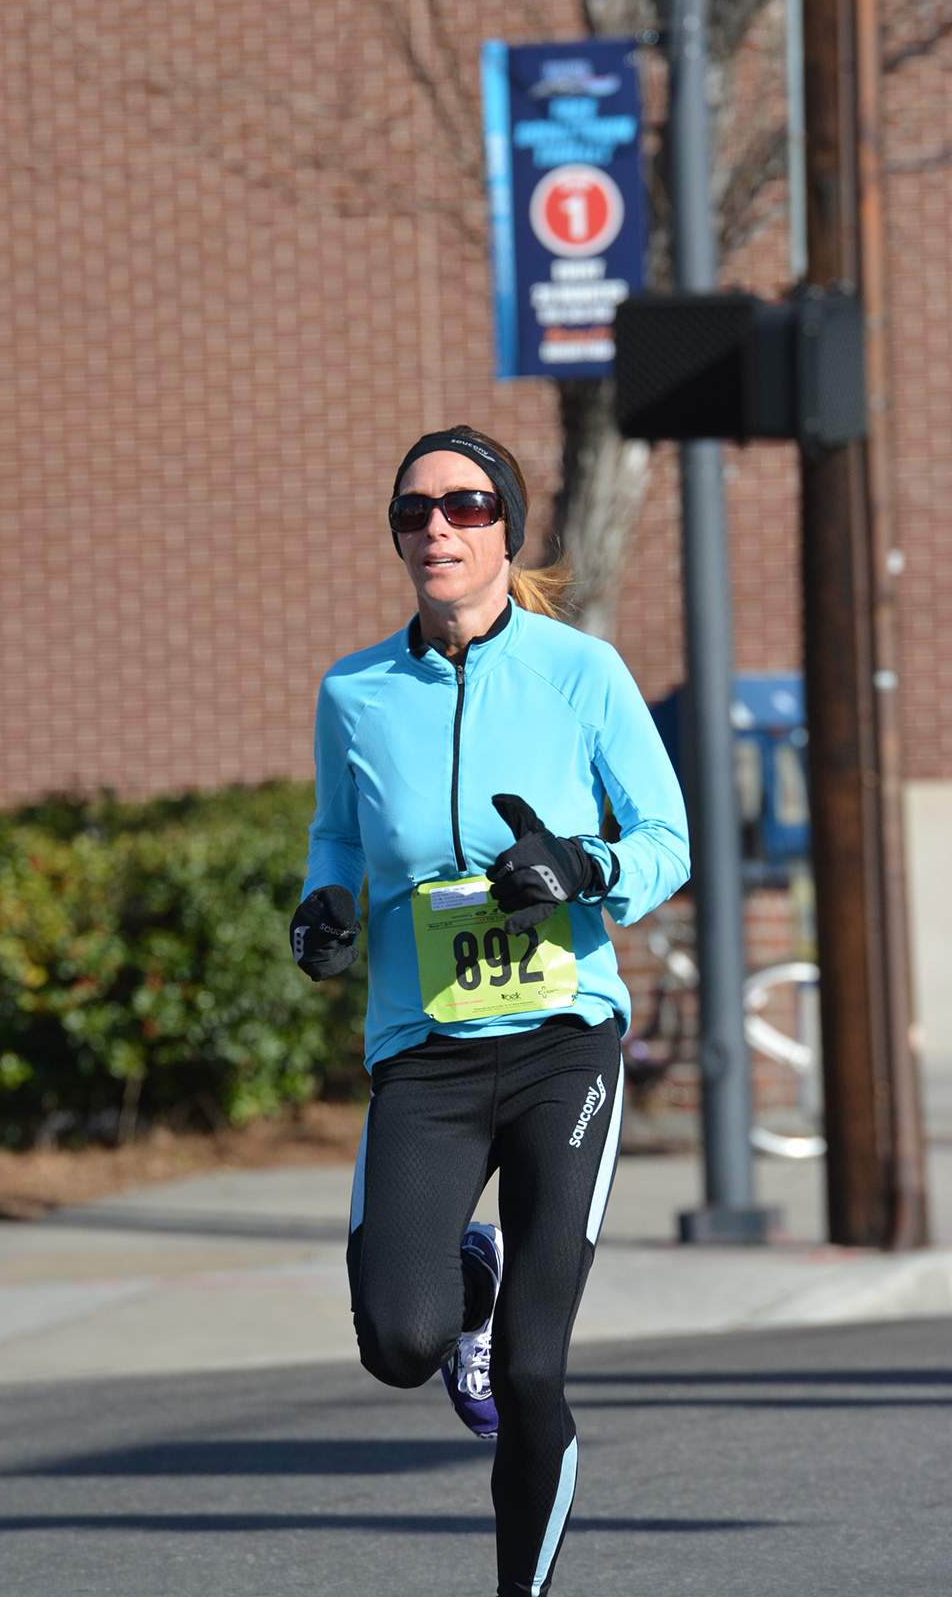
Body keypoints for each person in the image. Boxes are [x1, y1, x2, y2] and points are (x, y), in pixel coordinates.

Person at [289, 428, 689, 1594]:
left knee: (529, 1373)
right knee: (399, 1346)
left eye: (465, 508)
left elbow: (661, 838)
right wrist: (324, 907)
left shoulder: (581, 672)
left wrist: (580, 866)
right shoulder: (355, 692)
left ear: (506, 527)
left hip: (567, 1046)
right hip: (428, 1055)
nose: (437, 532)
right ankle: (465, 1274)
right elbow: (337, 837)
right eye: (414, 513)